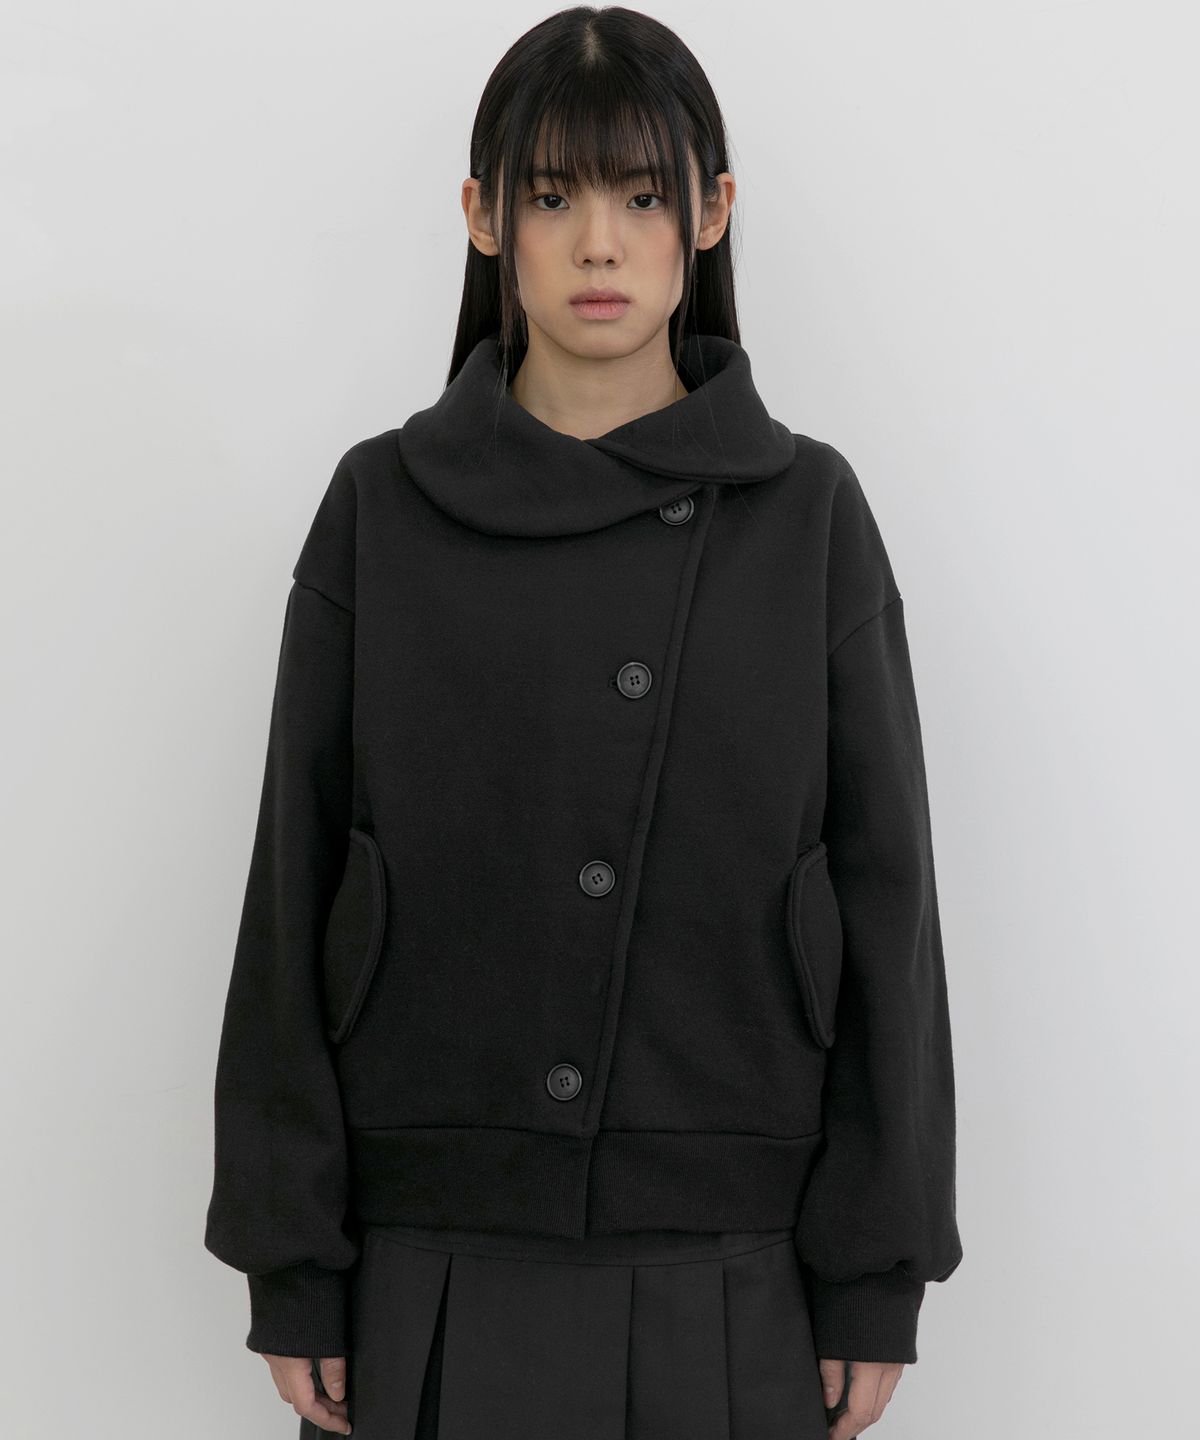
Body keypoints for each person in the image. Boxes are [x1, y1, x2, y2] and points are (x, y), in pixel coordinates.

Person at [203, 7, 964, 1438]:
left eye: (641, 196)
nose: (599, 246)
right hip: (426, 1255)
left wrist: (875, 1272)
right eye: (552, 197)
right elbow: (290, 885)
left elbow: (887, 903)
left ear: (711, 212)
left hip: (731, 1263)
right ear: (484, 215)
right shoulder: (380, 507)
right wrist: (290, 1258)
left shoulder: (807, 517)